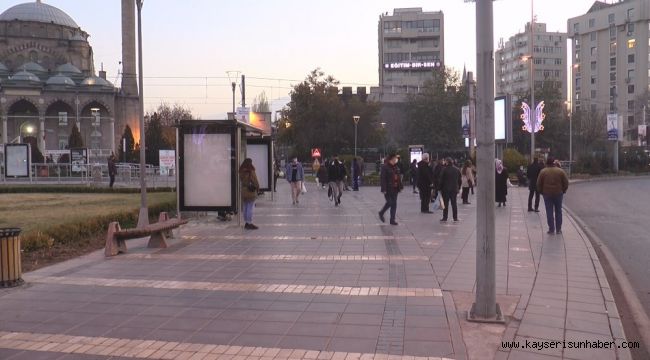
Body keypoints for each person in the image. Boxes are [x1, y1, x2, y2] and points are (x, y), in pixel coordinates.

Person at [537, 157, 569, 235]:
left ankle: (551, 229)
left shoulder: (543, 172)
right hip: (558, 193)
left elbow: (538, 183)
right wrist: (563, 190)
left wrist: (541, 191)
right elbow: (566, 182)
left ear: (547, 163)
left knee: (549, 211)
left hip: (547, 194)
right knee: (558, 211)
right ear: (554, 163)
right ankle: (558, 229)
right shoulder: (560, 171)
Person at [379, 153, 402, 225]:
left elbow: (398, 177)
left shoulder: (395, 167)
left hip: (395, 188)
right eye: (395, 158)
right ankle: (381, 212)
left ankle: (392, 220)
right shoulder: (385, 167)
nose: (396, 160)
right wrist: (383, 189)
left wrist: (400, 186)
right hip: (388, 188)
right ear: (391, 159)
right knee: (389, 202)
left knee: (394, 204)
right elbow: (383, 178)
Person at [439, 157, 462, 222]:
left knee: (445, 204)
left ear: (447, 162)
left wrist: (439, 188)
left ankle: (445, 217)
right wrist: (459, 187)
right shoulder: (457, 170)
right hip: (454, 189)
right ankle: (455, 217)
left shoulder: (444, 170)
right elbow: (459, 180)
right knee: (454, 203)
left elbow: (441, 180)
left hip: (445, 189)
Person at [239, 158, 260, 230]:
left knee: (245, 206)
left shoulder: (241, 171)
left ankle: (246, 222)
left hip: (244, 190)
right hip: (250, 191)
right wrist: (258, 187)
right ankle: (249, 222)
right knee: (250, 207)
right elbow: (255, 180)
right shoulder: (251, 170)